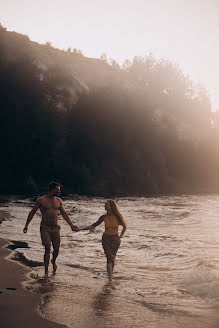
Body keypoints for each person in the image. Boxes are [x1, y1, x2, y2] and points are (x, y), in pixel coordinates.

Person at [23, 182, 78, 277]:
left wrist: (71, 225)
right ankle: (46, 270)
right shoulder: (41, 200)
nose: (59, 191)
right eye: (58, 190)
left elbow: (64, 214)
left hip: (56, 228)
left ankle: (53, 261)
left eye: (59, 189)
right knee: (47, 247)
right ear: (52, 190)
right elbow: (32, 212)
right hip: (45, 228)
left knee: (56, 249)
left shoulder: (59, 200)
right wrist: (26, 225)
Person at [80, 199, 127, 286]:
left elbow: (124, 226)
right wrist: (80, 229)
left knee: (112, 258)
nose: (104, 206)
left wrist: (120, 237)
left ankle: (110, 277)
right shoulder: (104, 217)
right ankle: (110, 280)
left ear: (111, 206)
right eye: (105, 204)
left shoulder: (117, 217)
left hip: (115, 239)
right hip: (106, 239)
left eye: (106, 204)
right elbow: (93, 225)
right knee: (109, 257)